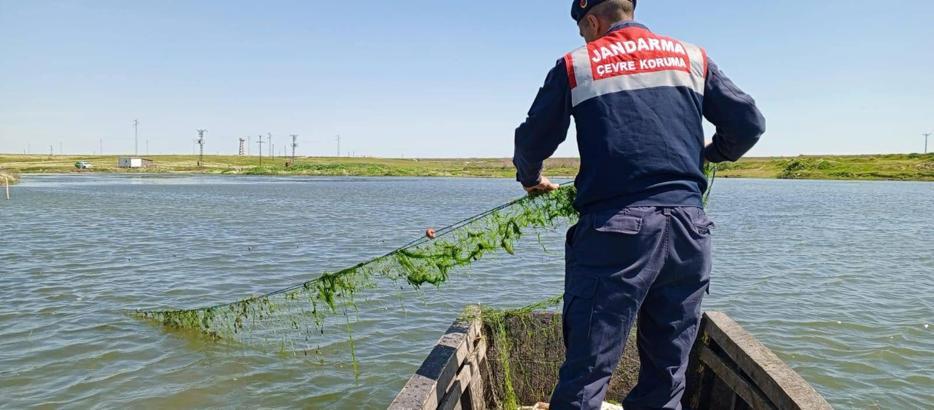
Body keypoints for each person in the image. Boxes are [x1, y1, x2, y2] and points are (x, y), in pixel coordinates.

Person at [512, 1, 766, 409]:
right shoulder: (691, 57)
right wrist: (711, 153)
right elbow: (749, 123)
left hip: (615, 233)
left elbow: (531, 140)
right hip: (689, 231)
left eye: (583, 30)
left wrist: (531, 179)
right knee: (667, 373)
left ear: (591, 20)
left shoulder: (577, 64)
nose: (584, 38)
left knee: (587, 371)